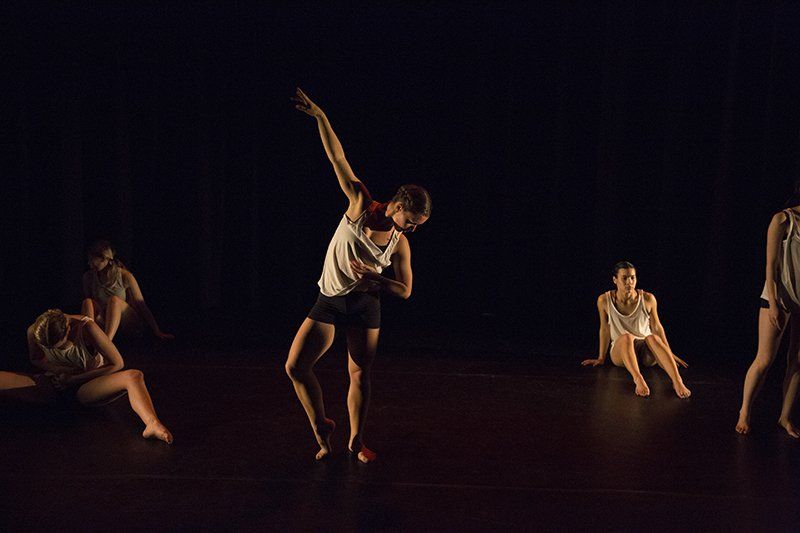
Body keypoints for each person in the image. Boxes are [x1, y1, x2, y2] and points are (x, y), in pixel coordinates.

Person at [285, 88, 431, 463]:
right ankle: (322, 426)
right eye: (411, 222)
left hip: (366, 305)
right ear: (398, 206)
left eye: (417, 227)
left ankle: (355, 441)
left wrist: (377, 279)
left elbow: (406, 291)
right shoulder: (360, 204)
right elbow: (337, 157)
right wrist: (320, 116)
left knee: (359, 376)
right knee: (295, 367)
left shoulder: (399, 244)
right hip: (330, 299)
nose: (411, 230)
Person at [0, 309, 173, 443]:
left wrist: (74, 378)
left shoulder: (86, 327)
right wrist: (60, 371)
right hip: (55, 382)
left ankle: (152, 424)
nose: (53, 350)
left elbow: (117, 363)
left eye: (58, 346)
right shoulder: (34, 331)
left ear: (68, 330)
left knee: (134, 376)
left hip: (88, 385)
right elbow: (36, 358)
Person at [736, 189, 800, 438]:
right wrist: (773, 304)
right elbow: (770, 267)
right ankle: (744, 412)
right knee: (764, 359)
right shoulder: (783, 220)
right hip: (779, 298)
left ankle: (785, 417)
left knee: (797, 362)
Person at [582, 261, 691, 398]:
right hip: (621, 350)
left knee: (652, 337)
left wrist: (668, 352)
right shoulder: (604, 300)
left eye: (633, 277)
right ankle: (638, 378)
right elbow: (604, 328)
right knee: (627, 336)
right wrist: (601, 357)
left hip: (646, 350)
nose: (629, 282)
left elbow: (657, 327)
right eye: (625, 278)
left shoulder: (648, 298)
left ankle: (678, 382)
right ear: (615, 280)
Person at [81, 240, 174, 342]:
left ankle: (107, 344)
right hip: (105, 320)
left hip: (127, 322)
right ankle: (88, 339)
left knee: (114, 300)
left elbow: (141, 305)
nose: (89, 263)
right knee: (87, 302)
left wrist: (157, 331)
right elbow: (91, 308)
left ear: (104, 259)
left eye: (92, 259)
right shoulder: (88, 277)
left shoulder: (125, 276)